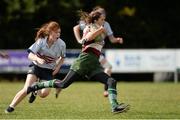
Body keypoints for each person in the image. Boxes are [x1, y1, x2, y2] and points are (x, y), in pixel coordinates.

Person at [27, 11, 129, 113]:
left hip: (93, 64)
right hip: (84, 61)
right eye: (102, 19)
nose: (104, 21)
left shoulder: (97, 28)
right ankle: (37, 86)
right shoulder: (91, 27)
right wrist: (96, 32)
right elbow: (88, 38)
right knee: (63, 84)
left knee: (111, 81)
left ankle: (114, 106)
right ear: (96, 20)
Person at [5, 21, 66, 113]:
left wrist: (57, 68)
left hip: (49, 70)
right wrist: (37, 59)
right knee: (27, 89)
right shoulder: (41, 41)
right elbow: (30, 55)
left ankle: (35, 89)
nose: (58, 34)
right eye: (56, 32)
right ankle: (11, 107)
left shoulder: (62, 44)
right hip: (36, 67)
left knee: (44, 94)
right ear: (50, 32)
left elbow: (62, 58)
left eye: (59, 32)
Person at [73, 6, 123, 97]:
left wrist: (117, 40)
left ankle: (106, 89)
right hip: (90, 52)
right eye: (101, 14)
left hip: (96, 52)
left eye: (104, 14)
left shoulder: (106, 24)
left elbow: (112, 39)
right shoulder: (90, 23)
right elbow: (75, 28)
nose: (103, 16)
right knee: (107, 67)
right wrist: (79, 40)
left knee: (108, 67)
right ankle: (106, 89)